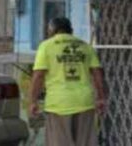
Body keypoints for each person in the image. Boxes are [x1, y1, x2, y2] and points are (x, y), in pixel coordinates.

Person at [30, 17, 106, 146]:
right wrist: (101, 97)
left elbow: (38, 76)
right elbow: (97, 73)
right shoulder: (85, 46)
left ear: (51, 30)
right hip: (85, 103)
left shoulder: (46, 46)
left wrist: (33, 101)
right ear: (71, 30)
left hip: (59, 105)